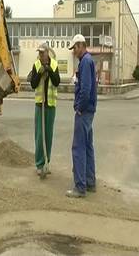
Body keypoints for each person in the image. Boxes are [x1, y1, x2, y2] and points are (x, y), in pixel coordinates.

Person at [66, 34, 97, 198]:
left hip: (84, 111)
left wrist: (79, 107)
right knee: (88, 146)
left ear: (80, 45)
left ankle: (80, 187)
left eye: (74, 48)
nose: (73, 52)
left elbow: (85, 88)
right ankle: (90, 182)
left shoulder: (85, 62)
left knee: (78, 147)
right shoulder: (89, 60)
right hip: (90, 110)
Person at [30, 43, 60, 176]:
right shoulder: (36, 65)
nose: (41, 55)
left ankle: (47, 162)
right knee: (39, 136)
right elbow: (33, 84)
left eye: (43, 52)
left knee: (48, 135)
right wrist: (40, 73)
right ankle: (39, 164)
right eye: (40, 53)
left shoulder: (54, 65)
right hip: (39, 105)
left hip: (50, 105)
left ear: (48, 52)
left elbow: (57, 81)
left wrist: (49, 70)